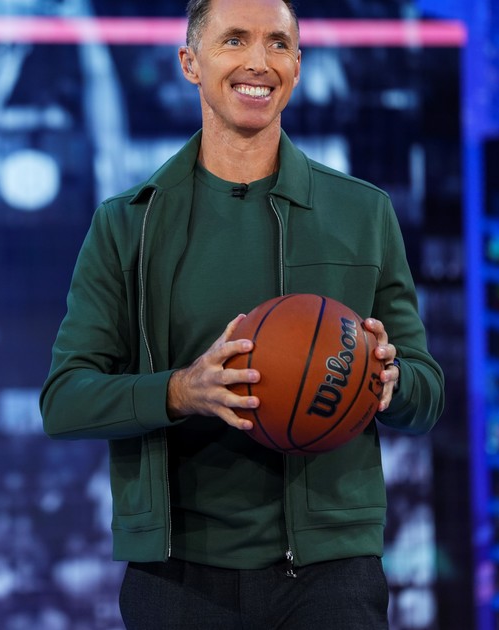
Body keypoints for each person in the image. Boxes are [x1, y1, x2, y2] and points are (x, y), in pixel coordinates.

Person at [39, 0, 445, 626]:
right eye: (234, 40)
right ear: (190, 63)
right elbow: (65, 401)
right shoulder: (126, 224)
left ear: (297, 66)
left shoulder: (363, 213)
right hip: (177, 578)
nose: (259, 61)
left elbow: (427, 392)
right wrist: (181, 391)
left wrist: (390, 381)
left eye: (278, 44)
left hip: (331, 577)